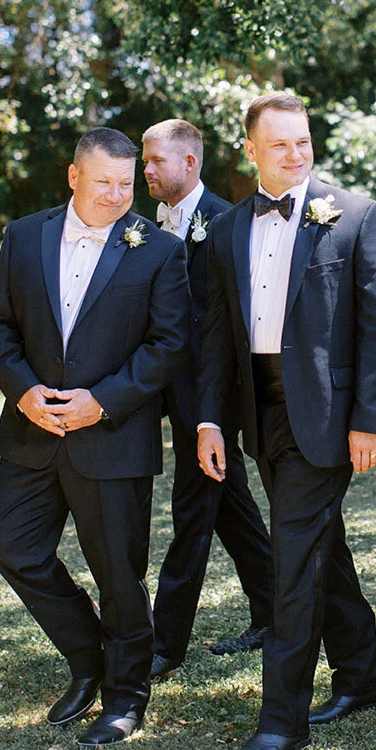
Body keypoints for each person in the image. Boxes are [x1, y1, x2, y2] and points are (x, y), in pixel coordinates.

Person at [197, 91, 376, 750]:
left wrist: (370, 419)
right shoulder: (227, 229)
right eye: (279, 144)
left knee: (291, 564)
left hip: (328, 414)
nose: (295, 154)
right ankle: (361, 676)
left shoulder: (356, 216)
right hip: (261, 414)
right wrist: (209, 420)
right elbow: (215, 337)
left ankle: (281, 723)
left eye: (303, 141)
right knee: (318, 546)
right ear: (250, 151)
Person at [0, 128, 190, 746]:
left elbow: (168, 344)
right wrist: (23, 391)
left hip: (113, 437)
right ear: (73, 177)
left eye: (126, 184)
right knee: (11, 547)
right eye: (102, 182)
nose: (116, 195)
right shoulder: (24, 236)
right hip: (33, 431)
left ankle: (126, 698)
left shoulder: (159, 250)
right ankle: (87, 656)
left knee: (119, 575)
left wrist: (101, 403)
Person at [141, 118, 272, 678]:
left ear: (190, 162)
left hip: (209, 399)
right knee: (230, 507)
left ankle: (164, 645)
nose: (146, 170)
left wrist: (213, 409)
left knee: (192, 512)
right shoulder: (148, 223)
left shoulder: (223, 221)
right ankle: (274, 610)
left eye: (156, 161)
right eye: (145, 160)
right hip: (168, 389)